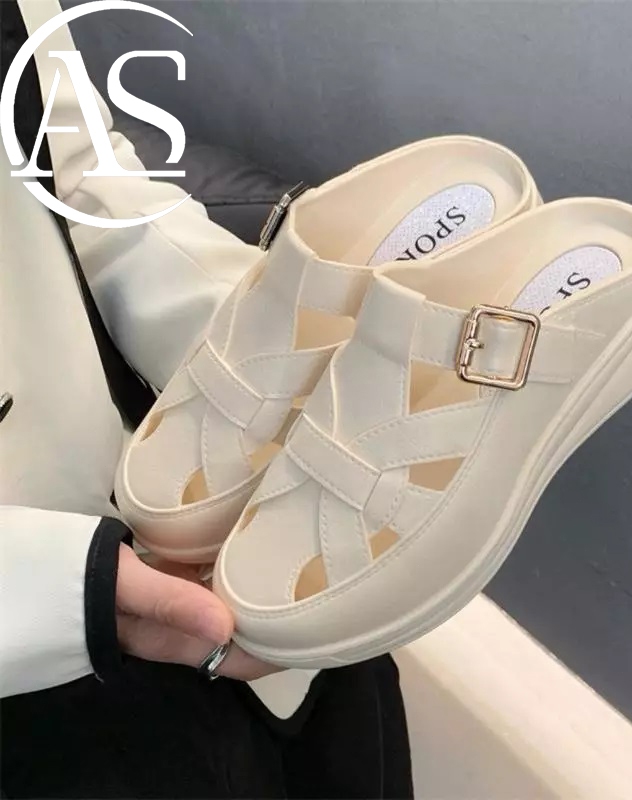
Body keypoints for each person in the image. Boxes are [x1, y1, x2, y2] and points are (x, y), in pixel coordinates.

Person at [0, 1, 412, 797]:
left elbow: (76, 168)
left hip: (185, 497)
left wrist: (266, 342)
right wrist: (58, 590)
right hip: (43, 676)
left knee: (334, 705)